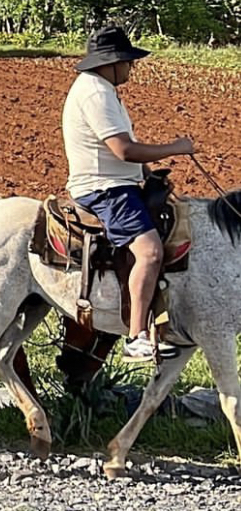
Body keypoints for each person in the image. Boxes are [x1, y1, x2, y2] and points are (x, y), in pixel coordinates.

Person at [63, 26, 195, 361]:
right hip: (104, 189)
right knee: (150, 252)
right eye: (127, 61)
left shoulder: (101, 89)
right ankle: (137, 336)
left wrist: (148, 175)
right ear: (111, 63)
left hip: (117, 182)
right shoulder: (96, 94)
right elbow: (123, 150)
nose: (131, 68)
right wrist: (175, 148)